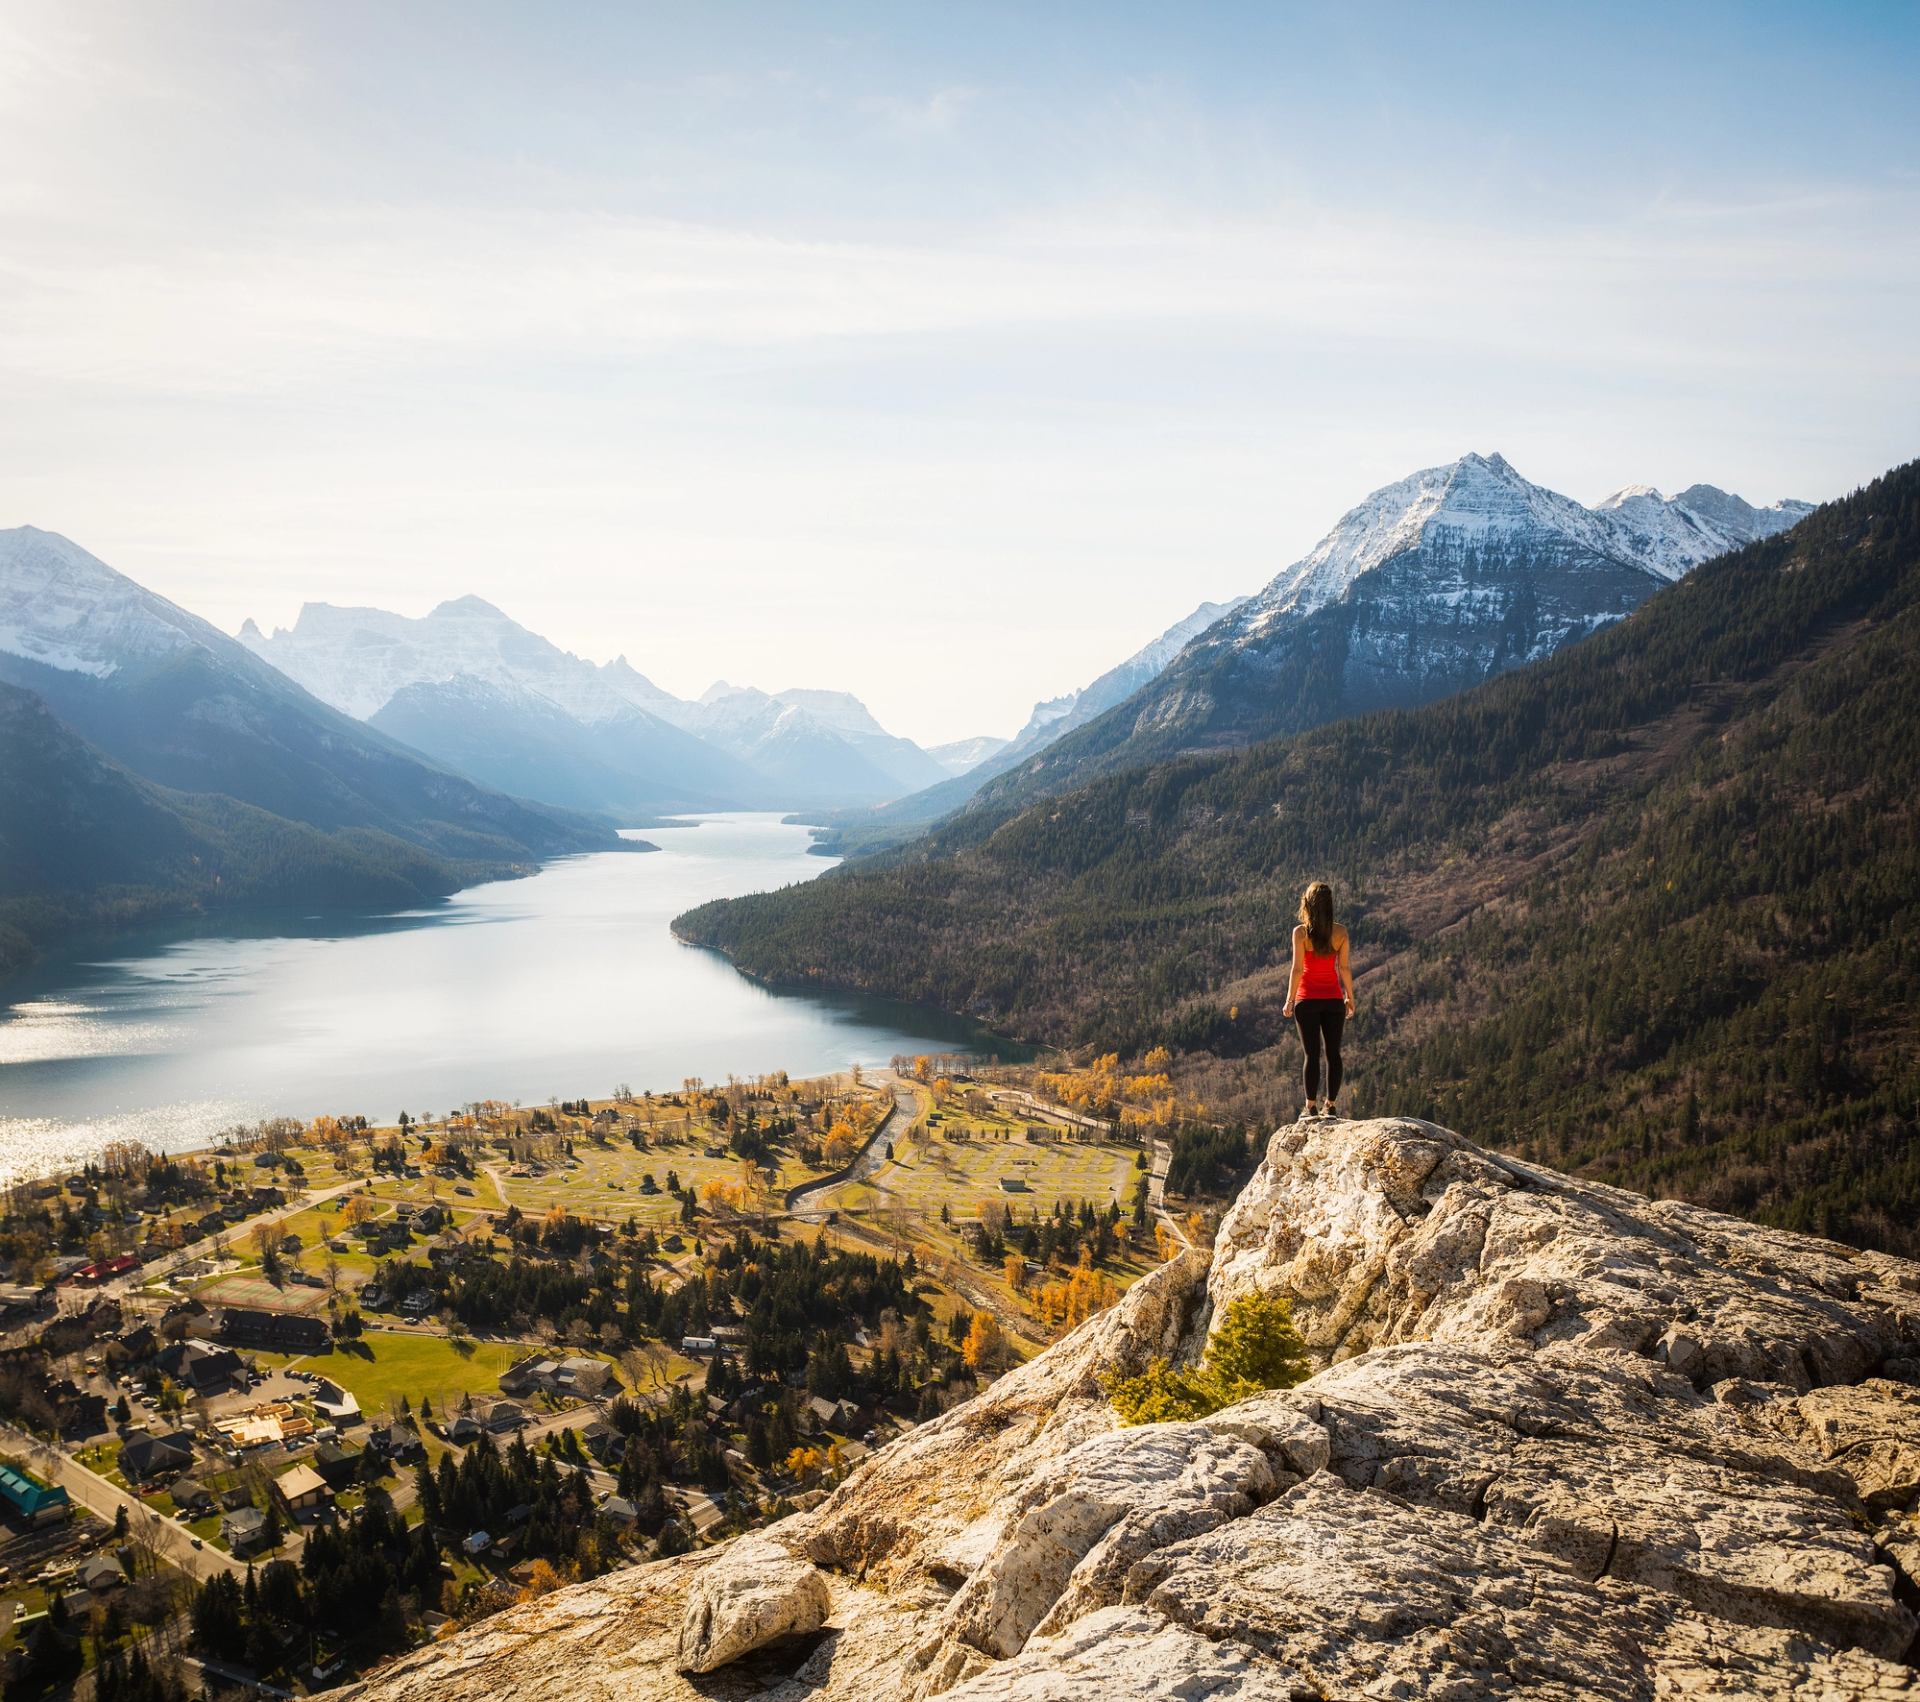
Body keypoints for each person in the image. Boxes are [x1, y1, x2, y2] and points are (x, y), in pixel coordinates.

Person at [1282, 880, 1355, 1118]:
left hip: (1307, 1001)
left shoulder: (1300, 933)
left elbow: (1297, 969)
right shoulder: (1341, 932)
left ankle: (1311, 1107)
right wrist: (1350, 997)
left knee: (1311, 1054)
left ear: (1308, 904)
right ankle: (1331, 1105)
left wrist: (1289, 1000)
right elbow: (1344, 968)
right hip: (1333, 1000)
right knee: (1333, 1053)